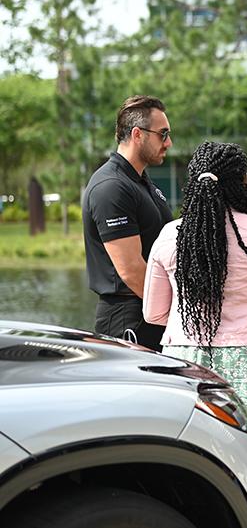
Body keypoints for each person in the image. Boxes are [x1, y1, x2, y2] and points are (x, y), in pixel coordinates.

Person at [144, 141, 247, 463]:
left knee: (192, 453)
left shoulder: (169, 236)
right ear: (243, 181)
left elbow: (154, 313)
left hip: (184, 360)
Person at [82, 95, 172, 351]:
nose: (169, 143)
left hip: (151, 311)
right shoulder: (111, 187)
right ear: (137, 134)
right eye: (163, 134)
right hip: (128, 318)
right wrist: (178, 309)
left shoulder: (142, 183)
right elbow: (132, 271)